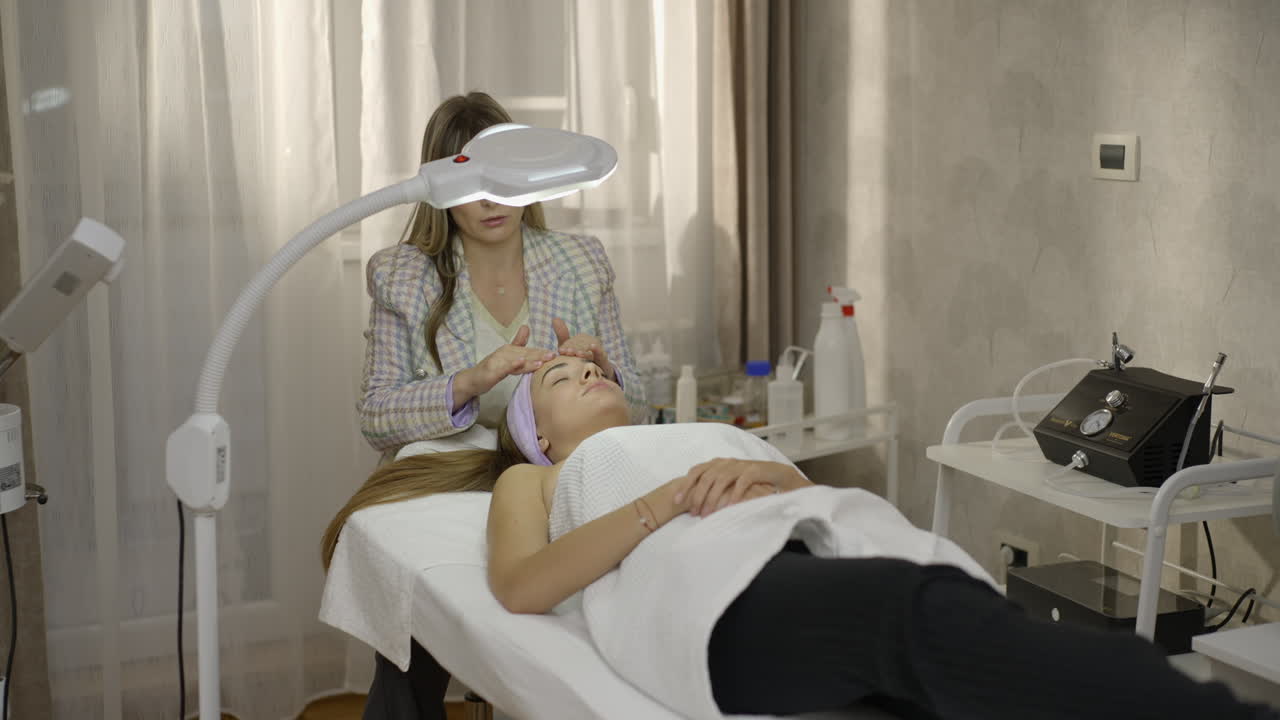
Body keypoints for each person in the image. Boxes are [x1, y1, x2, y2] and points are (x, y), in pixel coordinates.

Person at [327, 355, 1278, 720]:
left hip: (812, 543)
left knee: (956, 641)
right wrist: (667, 504)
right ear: (533, 431)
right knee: (925, 622)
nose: (581, 364)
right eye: (560, 375)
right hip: (721, 592)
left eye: (590, 361)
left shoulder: (694, 432)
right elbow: (526, 587)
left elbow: (798, 502)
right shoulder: (543, 476)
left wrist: (770, 470)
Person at [354, 91, 645, 719]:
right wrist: (468, 381)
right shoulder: (403, 275)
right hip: (449, 478)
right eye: (472, 184)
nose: (492, 201)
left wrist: (606, 370)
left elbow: (638, 402)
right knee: (414, 646)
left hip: (552, 479)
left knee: (556, 646)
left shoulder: (580, 262)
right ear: (440, 185)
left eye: (505, 181)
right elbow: (376, 414)